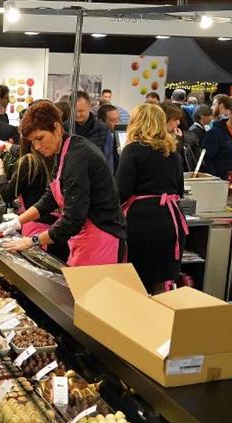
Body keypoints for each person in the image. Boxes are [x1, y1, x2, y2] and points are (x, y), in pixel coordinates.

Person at [0, 101, 127, 266]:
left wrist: (32, 240)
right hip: (84, 239)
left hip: (102, 239)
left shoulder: (77, 157)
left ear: (56, 128)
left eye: (40, 138)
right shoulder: (60, 151)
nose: (36, 146)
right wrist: (18, 222)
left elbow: (73, 220)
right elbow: (50, 198)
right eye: (32, 141)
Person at [116, 104, 188, 293]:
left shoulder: (132, 150)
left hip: (141, 224)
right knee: (161, 282)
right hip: (170, 221)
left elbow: (121, 191)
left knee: (135, 281)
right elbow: (179, 190)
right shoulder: (172, 152)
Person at [73, 91, 113, 166]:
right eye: (74, 111)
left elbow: (108, 161)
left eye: (81, 111)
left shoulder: (103, 129)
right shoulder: (65, 129)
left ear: (89, 107)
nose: (77, 115)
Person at [97, 104, 121, 174]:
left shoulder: (122, 136)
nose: (117, 123)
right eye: (112, 120)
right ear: (101, 121)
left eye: (118, 119)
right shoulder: (98, 139)